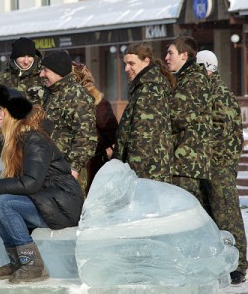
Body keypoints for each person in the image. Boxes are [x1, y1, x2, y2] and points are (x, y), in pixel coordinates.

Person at [0, 85, 83, 284]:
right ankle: (17, 261)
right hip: (45, 202)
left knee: (3, 202)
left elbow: (31, 183)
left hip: (62, 205)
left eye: (1, 109)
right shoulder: (12, 139)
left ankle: (32, 264)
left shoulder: (34, 139)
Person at [197, 50, 247, 285]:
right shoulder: (204, 92)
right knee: (214, 215)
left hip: (220, 164)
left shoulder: (219, 93)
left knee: (227, 214)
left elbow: (224, 133)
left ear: (206, 67)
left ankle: (238, 265)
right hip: (209, 163)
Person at [113, 42, 174, 182]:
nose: (126, 68)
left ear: (146, 61)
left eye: (131, 63)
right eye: (125, 64)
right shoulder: (143, 87)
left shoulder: (149, 90)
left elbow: (143, 139)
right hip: (148, 174)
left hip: (148, 176)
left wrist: (130, 176)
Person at [164, 36, 213, 205]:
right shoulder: (185, 79)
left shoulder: (193, 80)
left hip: (187, 164)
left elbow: (177, 117)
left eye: (171, 53)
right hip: (183, 163)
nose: (166, 57)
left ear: (184, 55)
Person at [39, 50, 97, 191]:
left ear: (58, 71)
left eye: (45, 70)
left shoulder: (78, 96)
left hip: (66, 172)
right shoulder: (49, 94)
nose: (41, 74)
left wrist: (74, 167)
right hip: (46, 168)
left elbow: (86, 137)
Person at [71, 61, 118, 193]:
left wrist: (90, 146)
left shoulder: (98, 102)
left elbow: (112, 132)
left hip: (91, 166)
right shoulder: (66, 100)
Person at [0, 37, 45, 105]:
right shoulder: (0, 80)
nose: (26, 61)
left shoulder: (44, 76)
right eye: (22, 56)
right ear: (15, 57)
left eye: (29, 56)